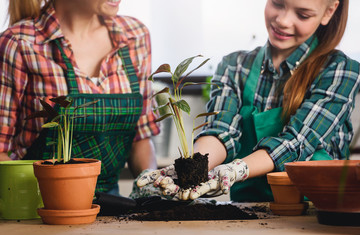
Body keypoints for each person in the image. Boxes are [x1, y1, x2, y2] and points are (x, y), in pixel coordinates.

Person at [137, 0, 360, 202]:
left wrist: (235, 170)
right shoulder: (234, 66)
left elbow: (297, 142)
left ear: (329, 12)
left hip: (315, 215)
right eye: (277, 3)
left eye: (302, 14)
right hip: (249, 212)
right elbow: (221, 132)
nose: (282, 20)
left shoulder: (340, 71)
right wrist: (192, 168)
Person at [0, 0, 160, 196]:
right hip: (39, 208)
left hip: (110, 210)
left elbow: (141, 138)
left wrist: (154, 188)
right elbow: (1, 150)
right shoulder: (20, 43)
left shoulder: (135, 36)